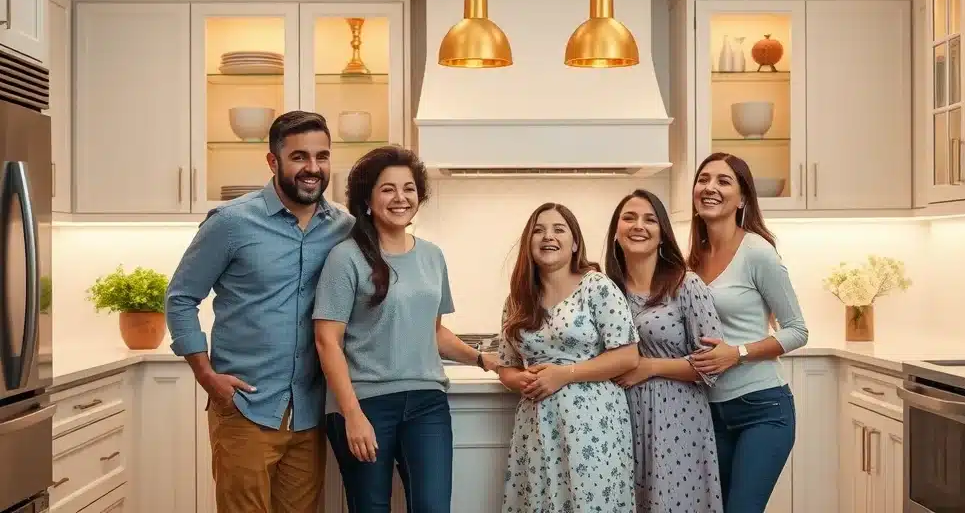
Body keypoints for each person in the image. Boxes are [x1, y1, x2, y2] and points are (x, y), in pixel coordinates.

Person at [165, 110, 354, 513]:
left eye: (322, 156)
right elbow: (181, 298)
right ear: (273, 161)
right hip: (245, 406)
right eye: (299, 157)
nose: (313, 168)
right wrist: (206, 375)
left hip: (308, 410)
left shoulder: (343, 227)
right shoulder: (232, 222)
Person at [312, 145, 497, 513]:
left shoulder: (432, 255)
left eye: (409, 188)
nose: (401, 198)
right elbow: (326, 340)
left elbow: (433, 332)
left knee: (432, 507)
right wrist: (352, 414)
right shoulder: (345, 257)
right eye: (388, 189)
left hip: (426, 403)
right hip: (365, 403)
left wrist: (481, 358)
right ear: (367, 200)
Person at [496, 202, 640, 513]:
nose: (548, 236)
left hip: (594, 425)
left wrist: (564, 374)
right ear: (528, 242)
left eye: (559, 229)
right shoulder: (518, 299)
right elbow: (506, 367)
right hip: (536, 427)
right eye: (539, 230)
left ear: (574, 243)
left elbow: (628, 356)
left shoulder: (597, 287)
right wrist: (517, 379)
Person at [686, 152, 809, 513]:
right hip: (709, 412)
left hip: (762, 409)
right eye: (704, 179)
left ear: (742, 199)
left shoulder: (757, 252)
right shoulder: (693, 257)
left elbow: (798, 331)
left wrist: (735, 353)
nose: (710, 187)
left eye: (723, 181)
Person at [605, 189, 725, 513]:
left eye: (649, 219)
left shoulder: (687, 285)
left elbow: (712, 364)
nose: (638, 226)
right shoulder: (605, 291)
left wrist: (650, 366)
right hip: (620, 418)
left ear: (662, 234)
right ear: (615, 233)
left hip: (677, 420)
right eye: (629, 218)